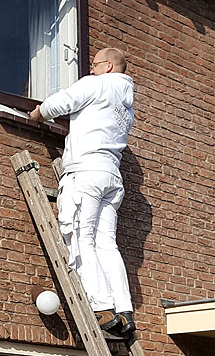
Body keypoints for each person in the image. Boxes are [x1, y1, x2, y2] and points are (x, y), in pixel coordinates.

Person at [29, 48, 136, 333]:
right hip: (112, 177)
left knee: (80, 238)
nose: (90, 69)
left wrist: (38, 113)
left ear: (110, 66)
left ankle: (102, 308)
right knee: (107, 244)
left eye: (95, 64)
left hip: (86, 173)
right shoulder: (126, 106)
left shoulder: (97, 84)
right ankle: (124, 309)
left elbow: (60, 103)